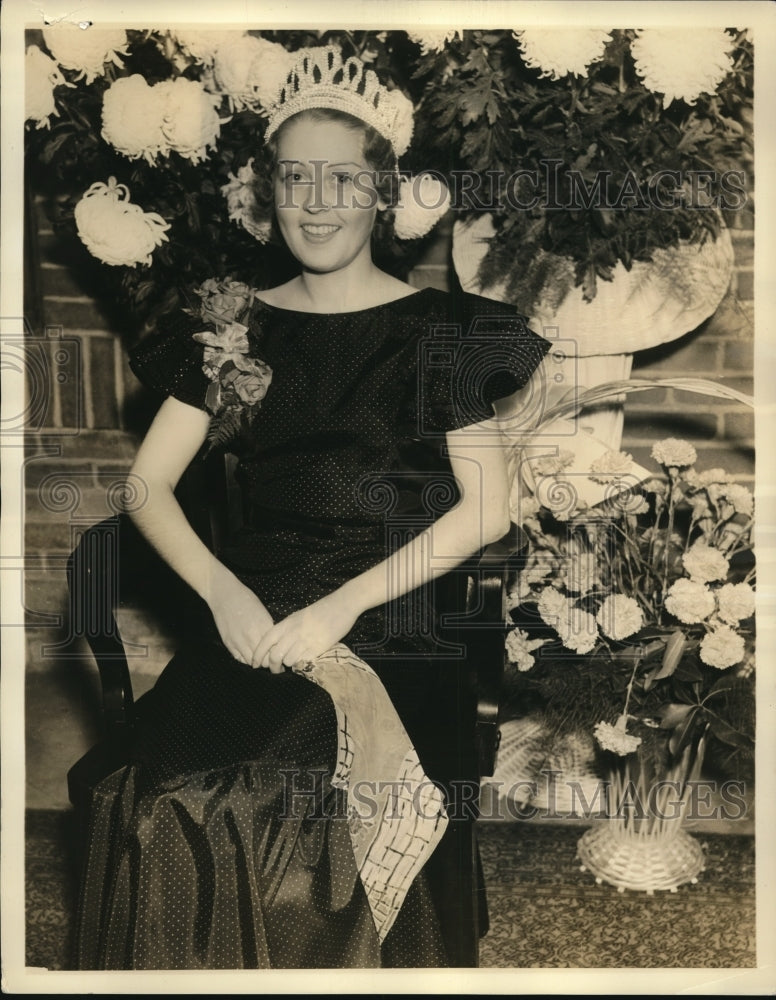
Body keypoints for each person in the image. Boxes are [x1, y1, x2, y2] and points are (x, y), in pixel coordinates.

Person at [72, 45, 550, 970]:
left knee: (261, 792)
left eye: (343, 179)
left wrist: (342, 607)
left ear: (384, 194)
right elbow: (146, 488)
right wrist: (223, 596)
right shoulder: (230, 324)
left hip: (390, 617)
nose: (317, 202)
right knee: (149, 785)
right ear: (268, 193)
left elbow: (488, 510)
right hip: (253, 612)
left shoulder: (437, 330)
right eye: (295, 178)